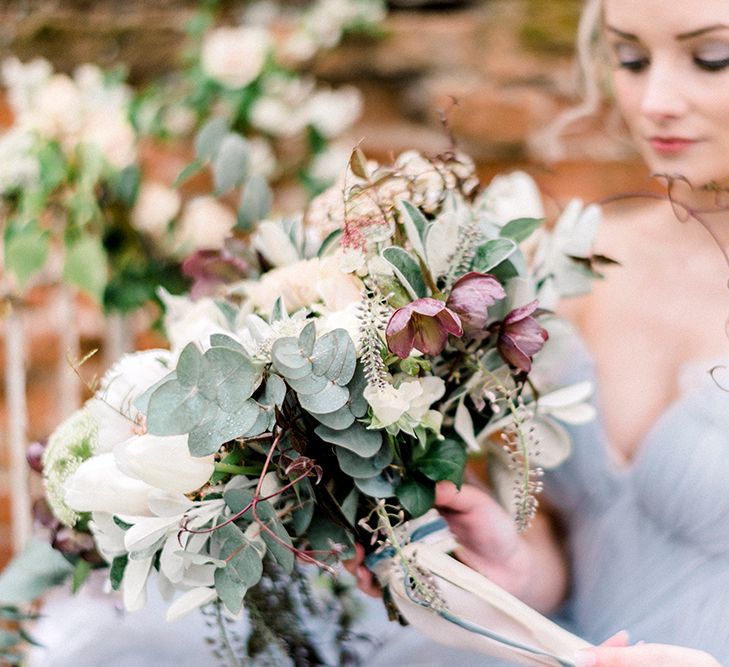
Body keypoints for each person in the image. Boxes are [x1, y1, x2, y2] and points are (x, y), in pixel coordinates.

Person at [351, 0, 729, 665]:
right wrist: (515, 566)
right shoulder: (575, 261)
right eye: (630, 58)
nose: (654, 100)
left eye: (710, 58)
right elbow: (577, 542)